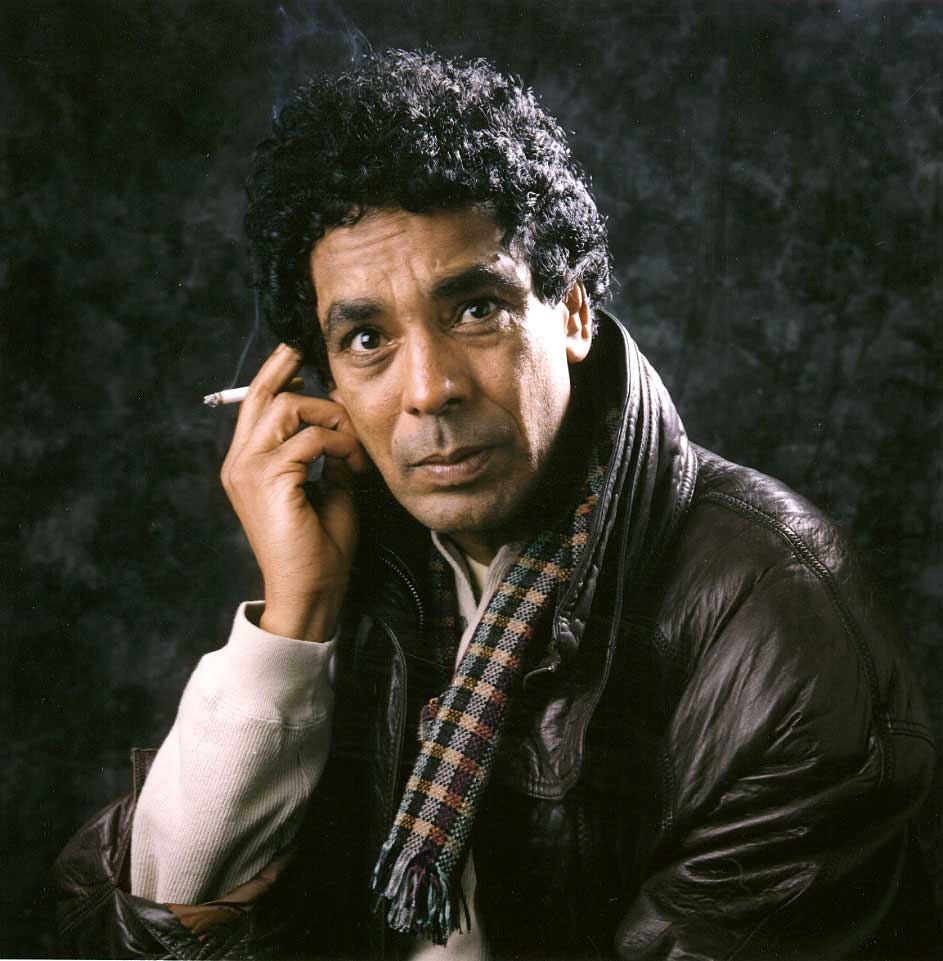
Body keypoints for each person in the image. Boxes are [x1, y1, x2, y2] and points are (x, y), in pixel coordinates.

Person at [55, 50, 938, 960]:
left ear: (573, 312)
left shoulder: (774, 615)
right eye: (367, 338)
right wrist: (293, 623)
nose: (427, 389)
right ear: (323, 382)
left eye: (475, 309)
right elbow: (134, 931)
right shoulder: (363, 560)